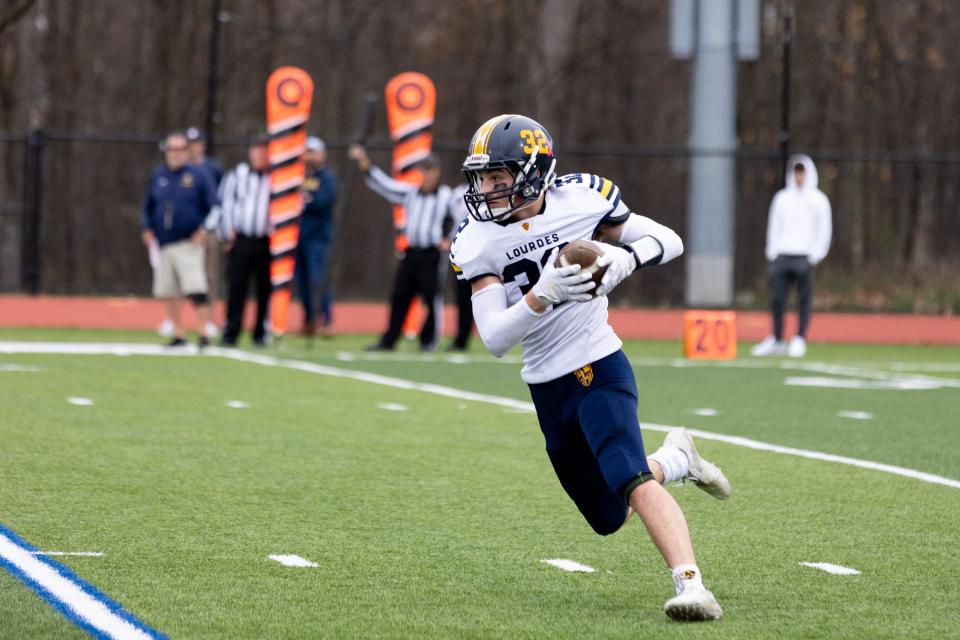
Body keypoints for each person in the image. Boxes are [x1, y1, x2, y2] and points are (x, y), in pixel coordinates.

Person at [450, 114, 730, 621]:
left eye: (498, 177)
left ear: (534, 172)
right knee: (607, 516)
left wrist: (628, 259)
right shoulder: (477, 239)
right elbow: (493, 338)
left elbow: (669, 239)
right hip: (545, 384)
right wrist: (542, 296)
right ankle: (678, 460)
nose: (487, 190)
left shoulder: (583, 199)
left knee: (629, 475)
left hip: (598, 363)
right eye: (482, 179)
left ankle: (692, 586)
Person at [347, 145, 456, 351]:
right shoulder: (410, 193)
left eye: (430, 170)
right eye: (423, 170)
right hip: (411, 253)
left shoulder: (446, 196)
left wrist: (450, 240)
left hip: (432, 254)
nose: (426, 175)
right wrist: (365, 164)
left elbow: (460, 219)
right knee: (399, 296)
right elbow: (384, 185)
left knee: (432, 298)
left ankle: (428, 341)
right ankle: (389, 339)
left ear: (438, 172)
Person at [141, 130, 217, 348]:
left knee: (195, 288)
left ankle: (203, 333)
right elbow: (148, 206)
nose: (175, 153)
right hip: (163, 243)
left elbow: (215, 207)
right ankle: (178, 333)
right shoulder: (158, 175)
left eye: (179, 149)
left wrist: (204, 230)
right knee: (168, 290)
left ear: (187, 151)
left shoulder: (198, 175)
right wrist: (146, 228)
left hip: (188, 242)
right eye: (171, 149)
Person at [752, 154, 832, 358]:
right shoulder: (782, 198)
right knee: (777, 299)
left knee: (803, 300)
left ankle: (799, 338)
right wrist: (772, 252)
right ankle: (777, 339)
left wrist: (815, 255)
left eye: (802, 171)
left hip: (804, 257)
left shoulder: (819, 200)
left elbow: (824, 230)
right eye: (796, 171)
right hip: (782, 256)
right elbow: (774, 226)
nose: (798, 176)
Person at [214, 135, 273, 346]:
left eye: (264, 150)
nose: (260, 154)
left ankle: (261, 333)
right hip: (241, 239)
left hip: (268, 241)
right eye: (256, 150)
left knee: (264, 289)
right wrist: (225, 233)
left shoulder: (278, 178)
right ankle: (231, 332)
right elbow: (224, 203)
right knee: (236, 287)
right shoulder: (237, 175)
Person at [295, 136, 338, 338]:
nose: (309, 156)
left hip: (318, 238)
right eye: (307, 152)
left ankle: (326, 320)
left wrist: (305, 199)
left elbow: (322, 201)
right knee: (302, 281)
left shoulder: (327, 177)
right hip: (299, 237)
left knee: (317, 278)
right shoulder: (299, 176)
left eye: (313, 152)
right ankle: (308, 320)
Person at [186, 126, 225, 339]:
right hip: (186, 232)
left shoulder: (213, 168)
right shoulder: (180, 167)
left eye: (197, 143)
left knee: (209, 276)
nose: (194, 148)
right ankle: (183, 320)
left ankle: (208, 319)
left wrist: (210, 227)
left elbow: (219, 200)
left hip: (208, 230)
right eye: (190, 144)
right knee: (186, 277)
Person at [445, 183, 475, 351]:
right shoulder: (457, 194)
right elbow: (447, 217)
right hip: (462, 253)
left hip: (483, 250)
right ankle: (461, 338)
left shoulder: (492, 190)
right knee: (463, 298)